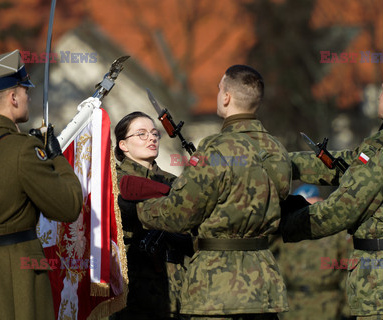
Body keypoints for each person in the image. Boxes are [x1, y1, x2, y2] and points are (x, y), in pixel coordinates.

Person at [280, 67, 383, 320]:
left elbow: (339, 211)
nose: (378, 97)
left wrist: (281, 220)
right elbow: (347, 163)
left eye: (381, 91)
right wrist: (284, 165)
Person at [134, 65, 291, 320]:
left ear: (227, 97)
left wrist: (138, 211)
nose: (218, 94)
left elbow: (180, 214)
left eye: (220, 89)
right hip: (263, 282)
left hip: (217, 286)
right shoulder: (277, 150)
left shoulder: (215, 149)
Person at [0, 50, 83, 319]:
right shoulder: (23, 150)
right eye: (25, 91)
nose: (28, 97)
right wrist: (56, 158)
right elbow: (68, 206)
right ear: (12, 98)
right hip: (14, 279)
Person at [110, 111, 193, 319]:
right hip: (133, 291)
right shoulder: (114, 180)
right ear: (123, 145)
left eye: (155, 133)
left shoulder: (173, 181)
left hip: (175, 288)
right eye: (141, 134)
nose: (151, 138)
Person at [271, 184, 353, 320]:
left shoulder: (337, 234)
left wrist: (347, 309)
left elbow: (347, 269)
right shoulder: (286, 232)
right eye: (305, 207)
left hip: (327, 306)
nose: (308, 213)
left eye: (313, 205)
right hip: (291, 305)